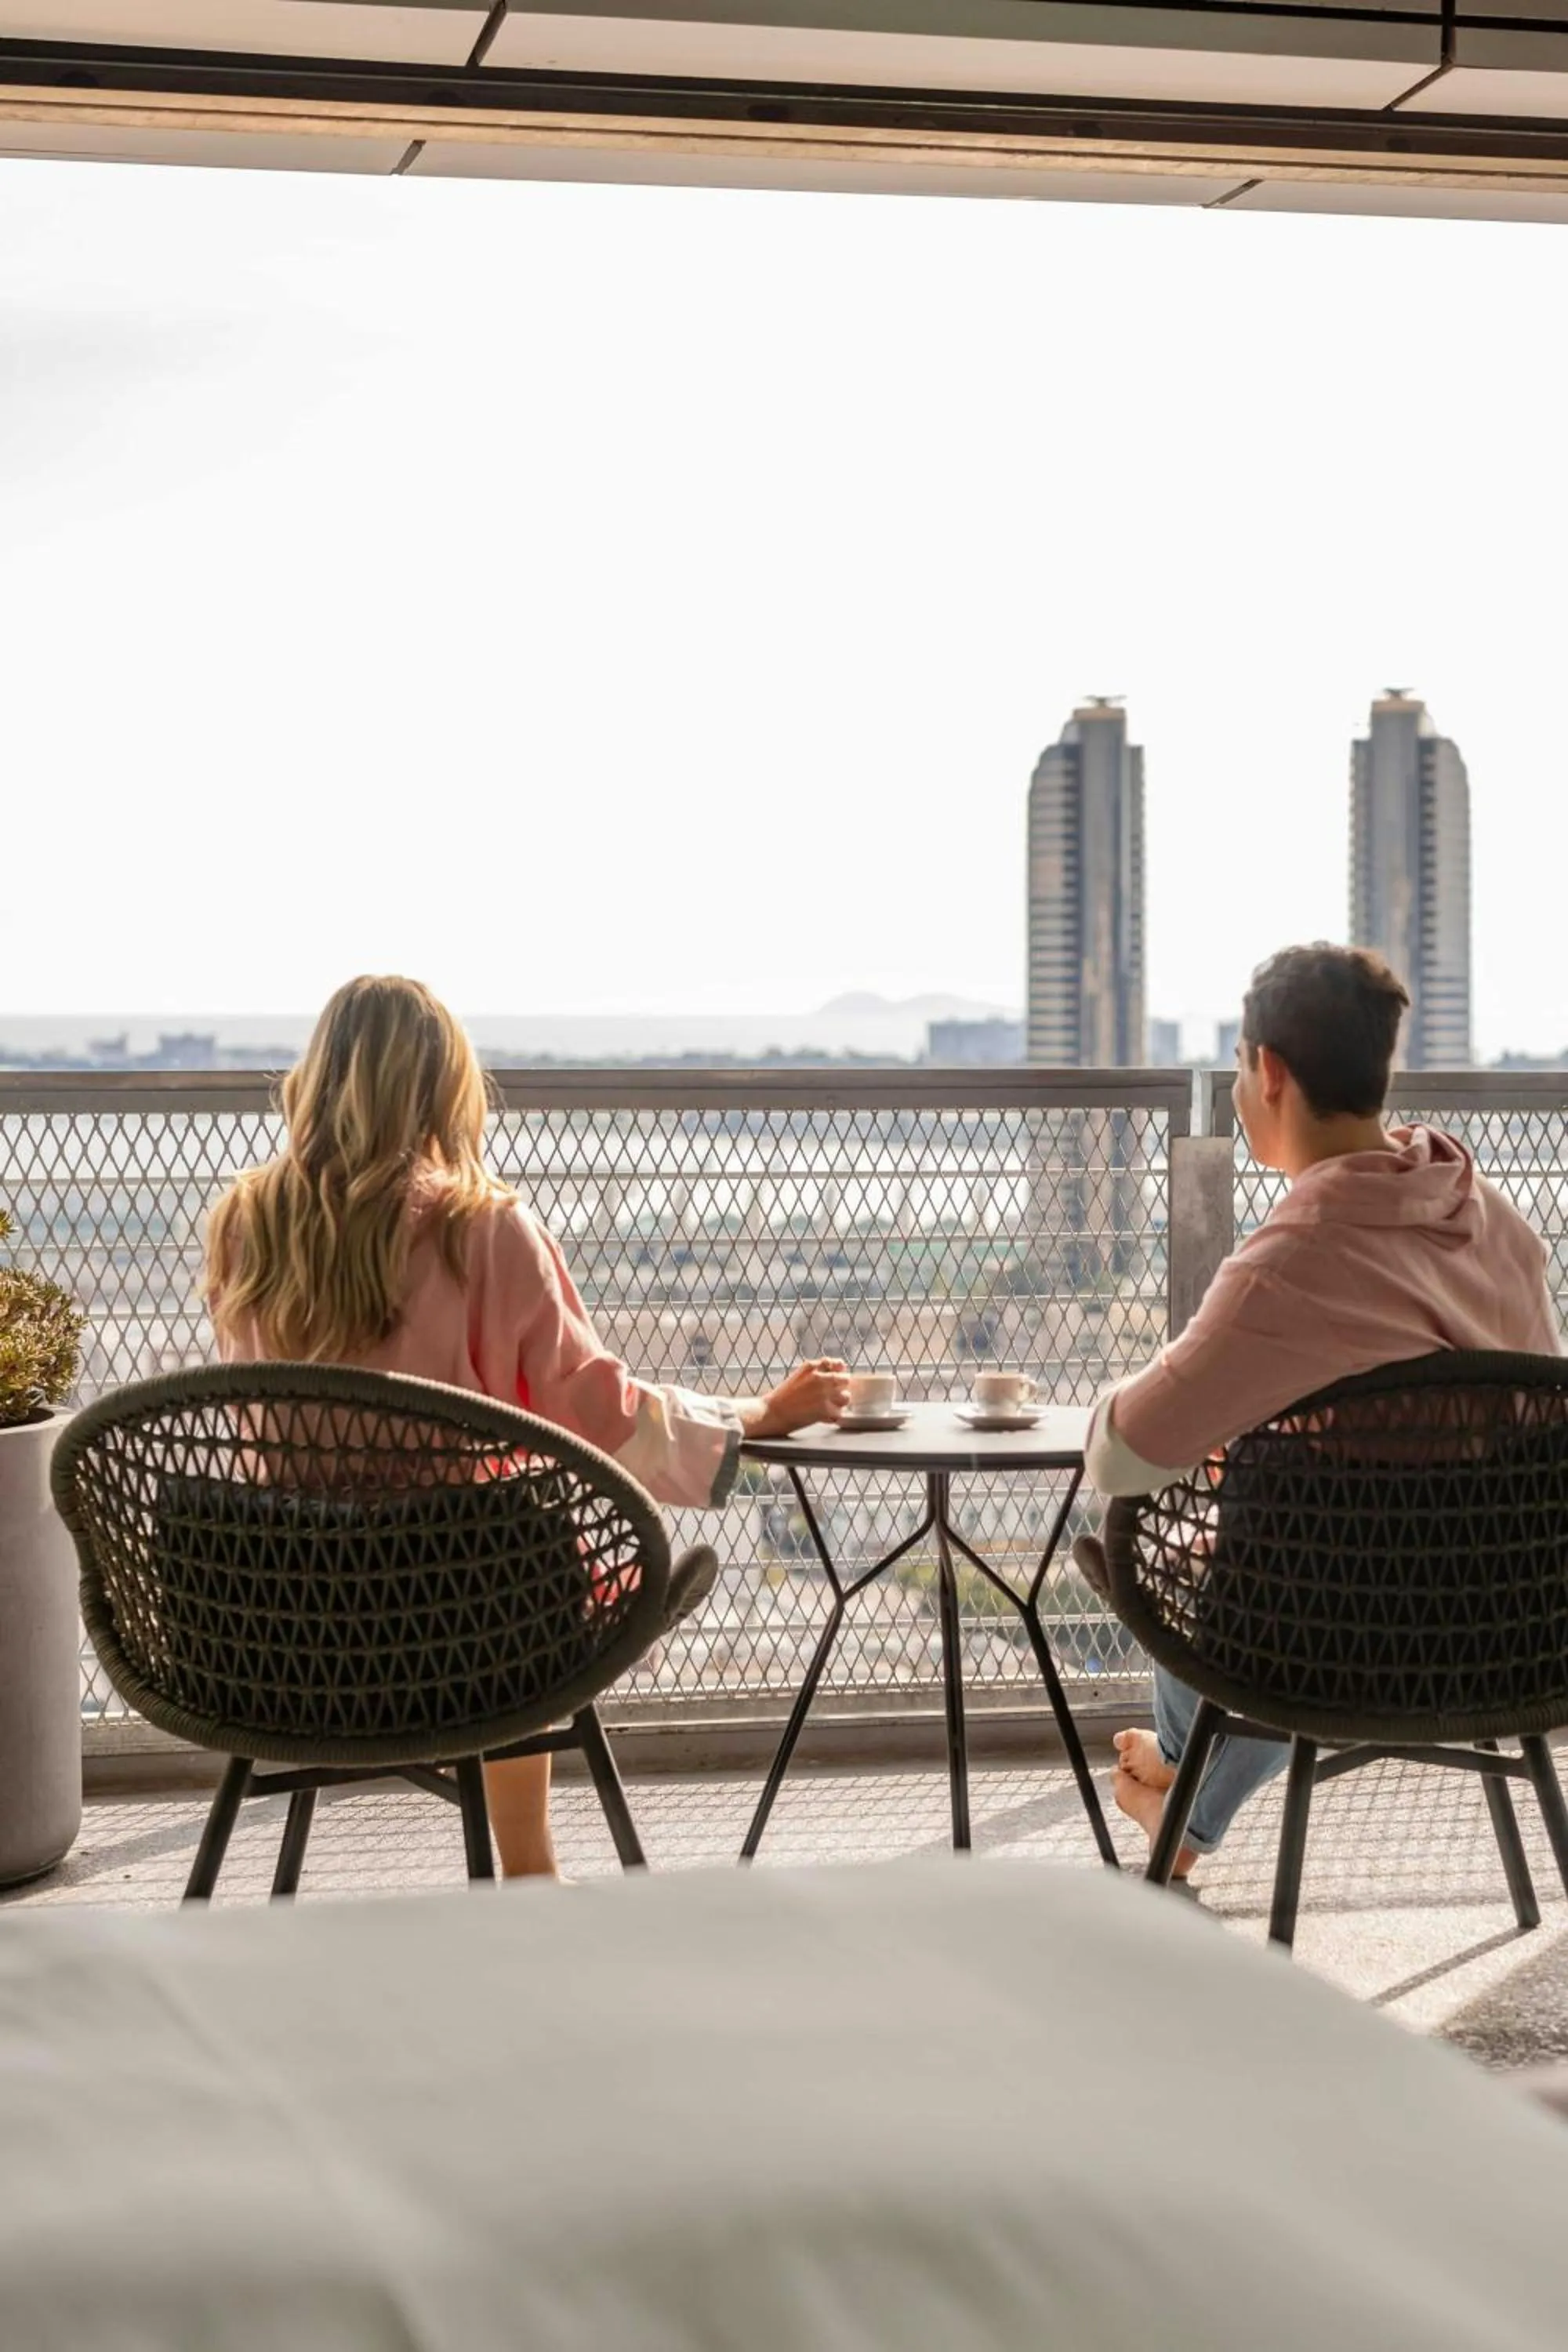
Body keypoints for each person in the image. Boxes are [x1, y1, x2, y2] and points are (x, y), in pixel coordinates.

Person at [205, 975, 850, 1880]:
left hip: (290, 1615)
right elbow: (599, 1414)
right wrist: (754, 1414)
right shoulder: (486, 1231)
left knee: (497, 1551)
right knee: (518, 1558)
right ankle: (527, 1864)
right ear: (443, 1087)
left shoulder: (244, 1226)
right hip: (464, 1616)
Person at [1083, 943, 1559, 1878]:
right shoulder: (1495, 1220)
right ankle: (1177, 1788)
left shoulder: (1287, 1264)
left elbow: (1123, 1458)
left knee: (1206, 1550)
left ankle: (1178, 1792)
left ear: (1266, 1070)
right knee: (1284, 1528)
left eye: (1234, 1066)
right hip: (1518, 1632)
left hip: (1327, 1649)